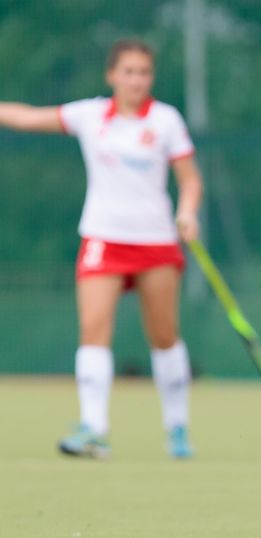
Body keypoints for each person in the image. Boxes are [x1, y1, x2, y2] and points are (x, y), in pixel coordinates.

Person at [0, 39, 203, 459]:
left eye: (144, 72)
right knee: (93, 330)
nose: (136, 80)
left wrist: (187, 212)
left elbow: (190, 180)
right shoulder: (89, 115)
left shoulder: (166, 120)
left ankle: (177, 429)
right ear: (112, 75)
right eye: (128, 72)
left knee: (165, 336)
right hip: (103, 239)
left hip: (155, 242)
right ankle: (94, 429)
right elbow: (27, 117)